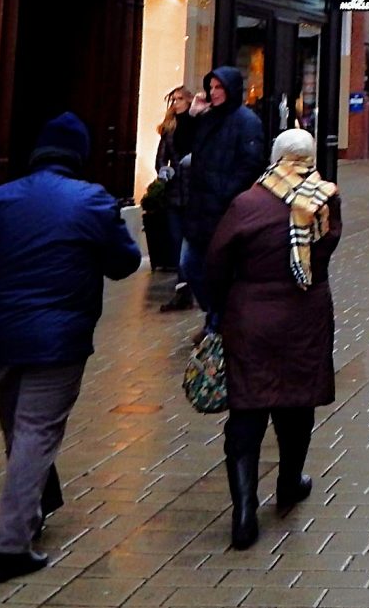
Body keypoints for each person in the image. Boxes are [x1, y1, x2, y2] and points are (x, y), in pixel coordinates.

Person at [0, 112, 141, 582]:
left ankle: (33, 510)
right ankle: (11, 545)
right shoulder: (91, 201)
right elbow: (125, 262)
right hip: (58, 339)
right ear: (78, 155)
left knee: (17, 433)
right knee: (36, 432)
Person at [205, 129, 342, 551]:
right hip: (305, 315)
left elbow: (216, 262)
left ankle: (244, 512)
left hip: (251, 317)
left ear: (274, 157)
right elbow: (325, 250)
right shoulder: (325, 199)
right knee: (295, 402)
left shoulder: (248, 203)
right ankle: (288, 481)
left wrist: (218, 307)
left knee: (247, 408)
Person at [178, 67, 269, 315]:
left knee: (218, 271)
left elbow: (251, 165)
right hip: (199, 210)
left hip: (223, 211)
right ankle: (215, 316)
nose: (213, 92)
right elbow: (182, 146)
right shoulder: (207, 117)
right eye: (211, 87)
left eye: (219, 87)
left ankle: (217, 322)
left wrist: (224, 194)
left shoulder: (247, 122)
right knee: (190, 265)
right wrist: (190, 115)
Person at [145, 86, 191, 292]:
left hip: (194, 188)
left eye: (180, 99)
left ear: (188, 101)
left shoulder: (197, 125)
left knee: (191, 237)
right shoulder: (169, 128)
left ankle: (189, 278)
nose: (175, 103)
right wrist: (164, 171)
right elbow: (161, 157)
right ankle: (182, 281)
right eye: (173, 99)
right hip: (175, 189)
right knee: (175, 236)